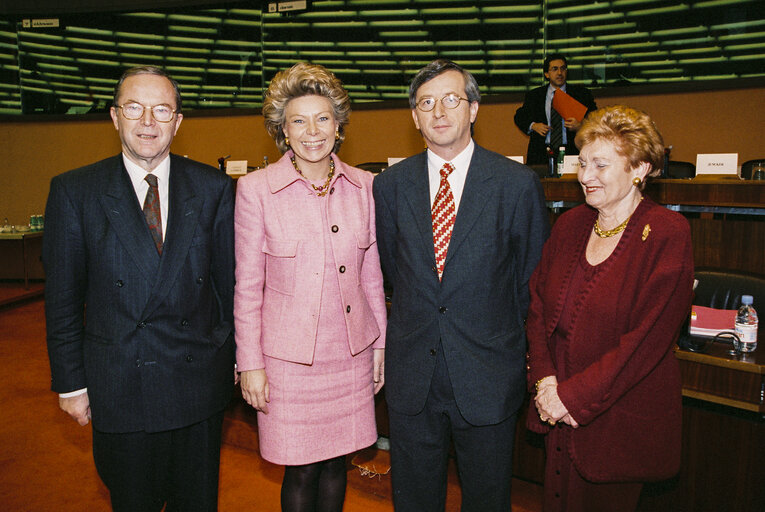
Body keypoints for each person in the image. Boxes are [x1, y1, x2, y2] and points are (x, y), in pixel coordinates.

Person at [43, 66, 235, 511]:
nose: (148, 121)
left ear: (178, 122)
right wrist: (71, 384)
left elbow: (229, 289)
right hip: (121, 386)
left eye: (162, 109)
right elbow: (63, 301)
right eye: (134, 107)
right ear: (114, 117)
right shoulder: (75, 192)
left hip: (196, 386)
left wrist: (230, 362)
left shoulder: (213, 188)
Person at [373, 59, 549, 512]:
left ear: (473, 108)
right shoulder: (389, 186)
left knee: (488, 500)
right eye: (426, 103)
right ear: (414, 117)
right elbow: (396, 272)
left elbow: (531, 283)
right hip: (414, 374)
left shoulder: (517, 184)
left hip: (488, 372)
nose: (438, 112)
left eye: (451, 100)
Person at [234, 62, 387, 512]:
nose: (312, 131)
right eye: (298, 121)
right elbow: (247, 288)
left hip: (351, 356)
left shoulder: (365, 186)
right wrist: (250, 364)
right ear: (283, 131)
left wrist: (380, 345)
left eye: (322, 118)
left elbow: (372, 275)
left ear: (338, 126)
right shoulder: (256, 190)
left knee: (338, 463)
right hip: (288, 364)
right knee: (301, 468)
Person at [526, 105, 694, 512]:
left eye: (600, 165)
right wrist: (547, 384)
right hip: (558, 414)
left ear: (640, 167)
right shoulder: (569, 226)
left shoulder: (668, 234)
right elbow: (538, 309)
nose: (585, 176)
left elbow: (645, 342)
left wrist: (571, 397)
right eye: (582, 163)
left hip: (618, 423)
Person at [514, 53, 597, 166]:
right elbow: (519, 116)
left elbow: (596, 119)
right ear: (547, 74)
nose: (559, 73)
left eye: (563, 69)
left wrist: (580, 126)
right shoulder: (535, 95)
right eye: (555, 69)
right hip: (541, 153)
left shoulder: (581, 94)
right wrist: (533, 125)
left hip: (572, 152)